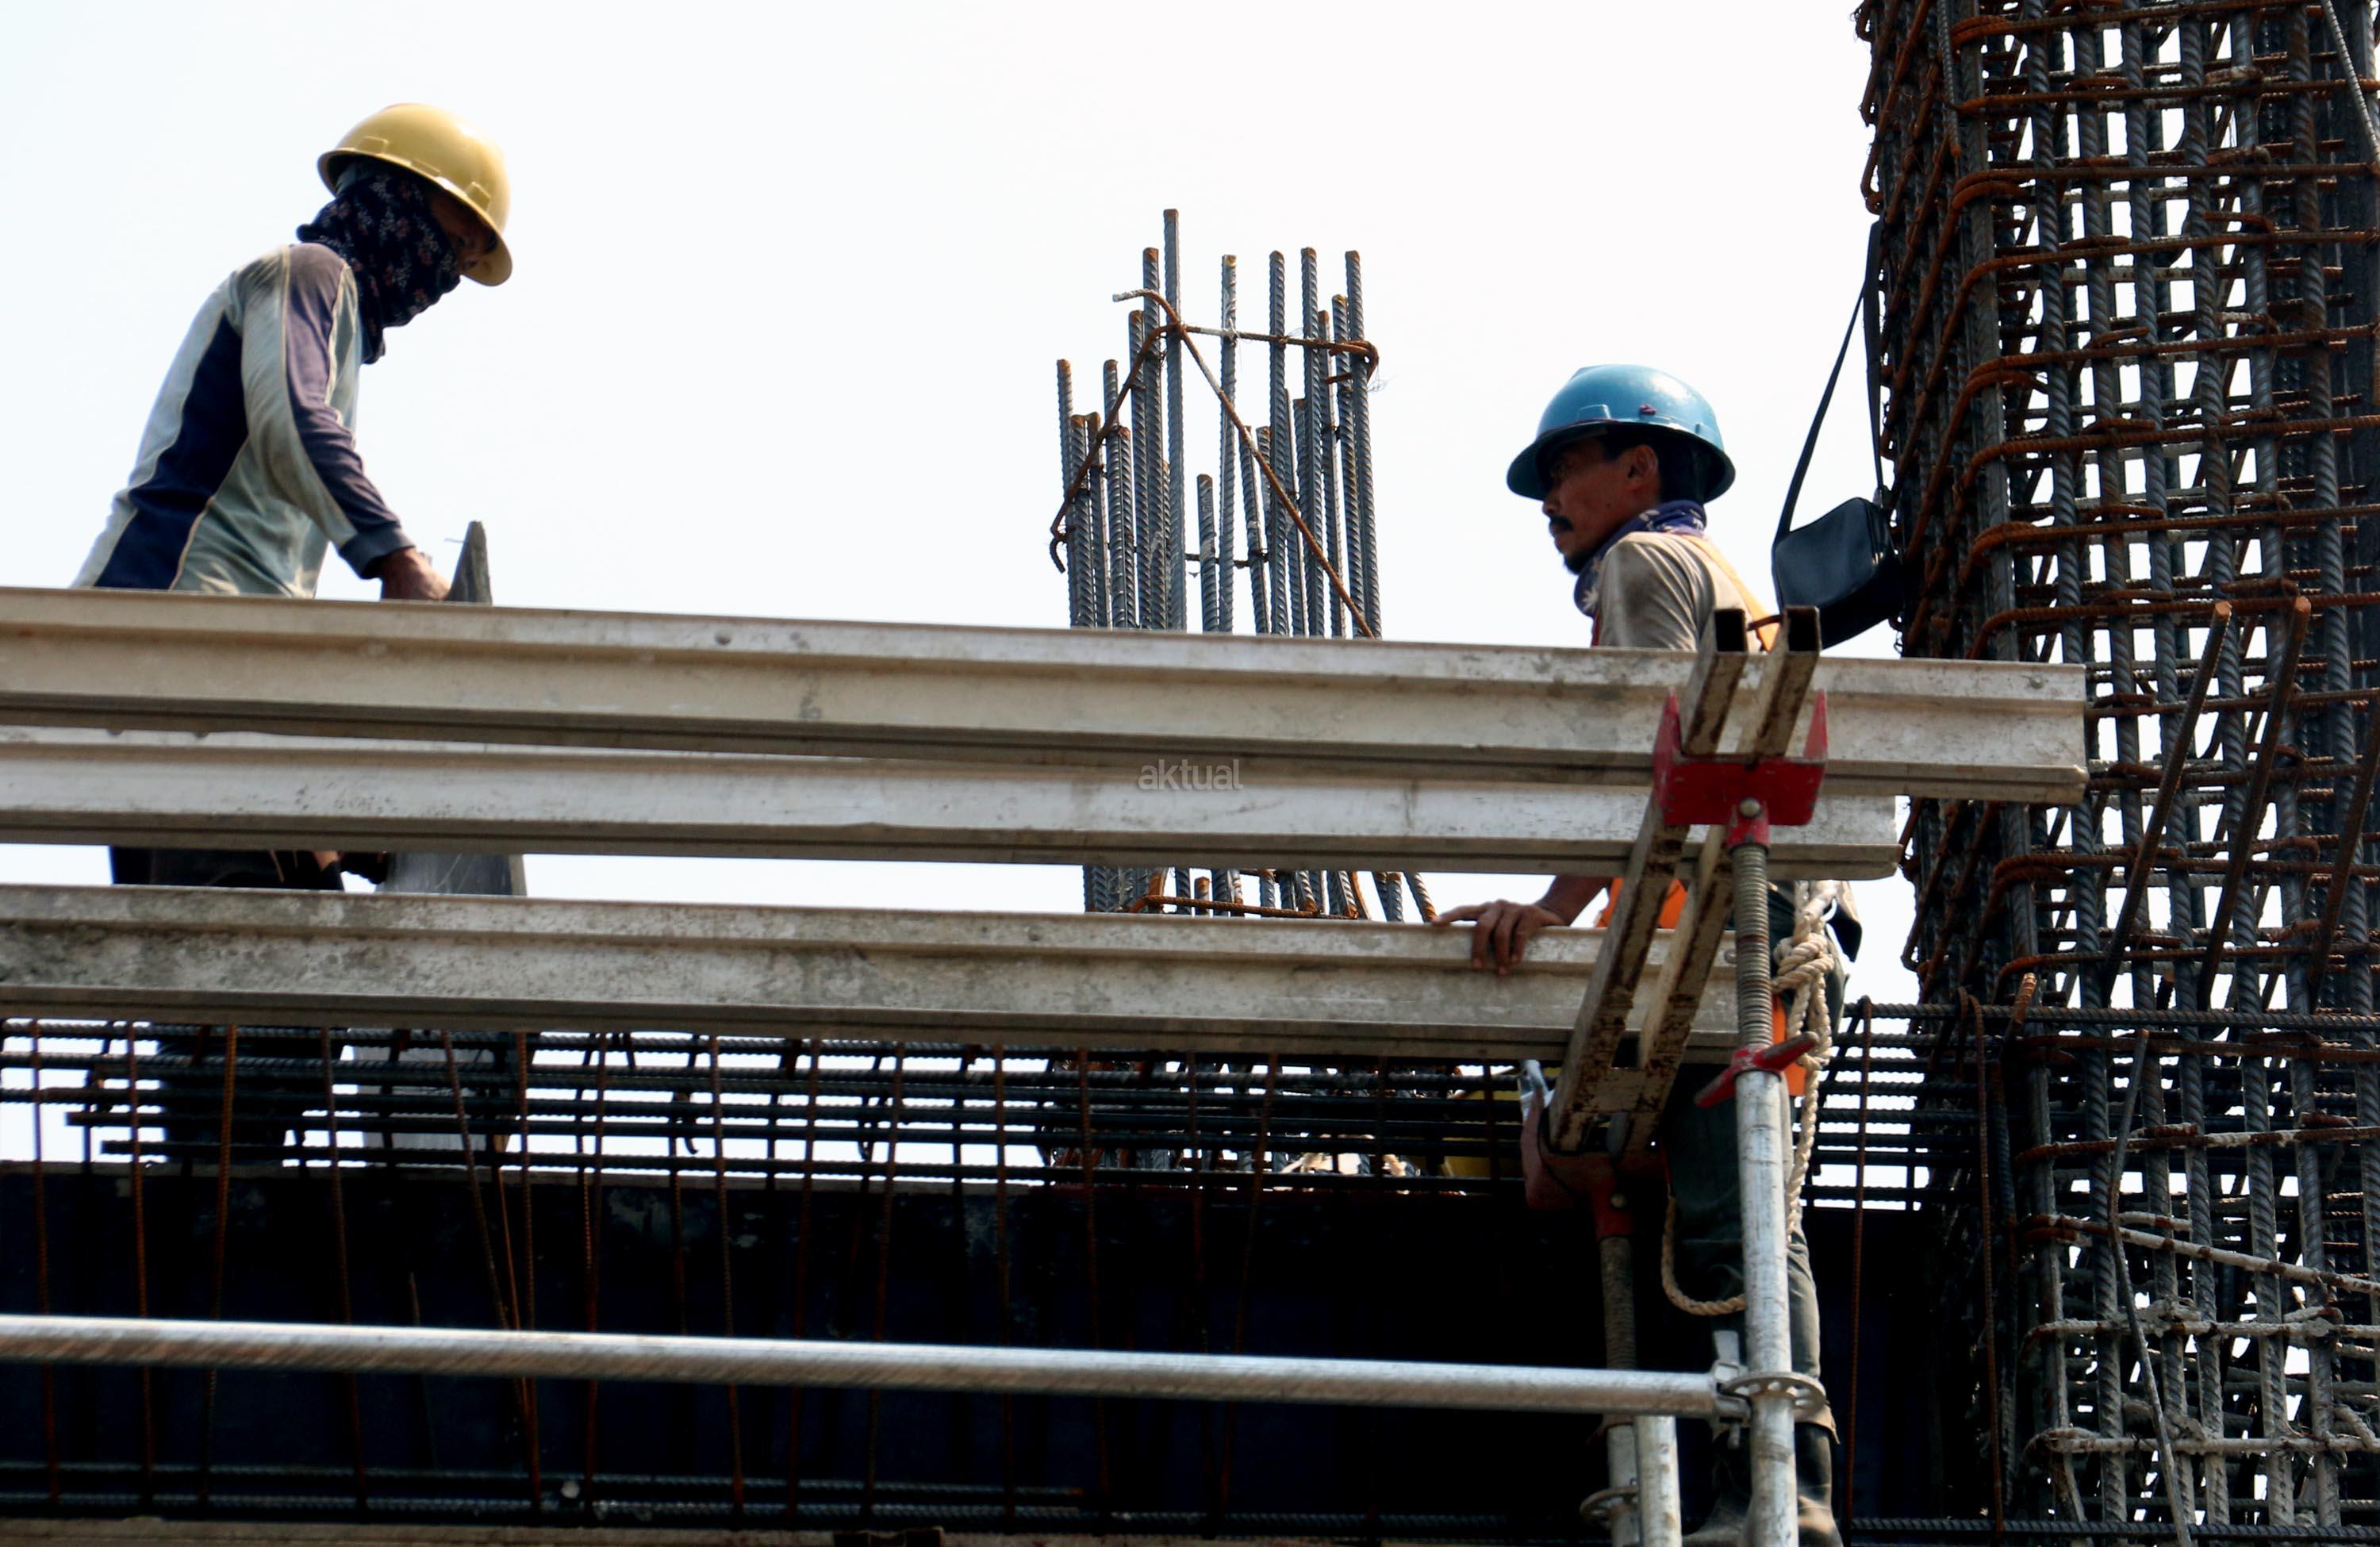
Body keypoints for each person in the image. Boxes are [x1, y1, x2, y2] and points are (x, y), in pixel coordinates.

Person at [1435, 366, 1844, 1546]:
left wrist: (1553, 912)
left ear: (1640, 468)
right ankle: (1770, 1486)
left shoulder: (1645, 563)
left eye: (1567, 467)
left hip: (1722, 938)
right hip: (1732, 929)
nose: (1549, 497)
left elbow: (1662, 764)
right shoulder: (1710, 573)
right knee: (1733, 1212)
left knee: (1733, 1223)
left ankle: (1775, 1494)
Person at [71, 103, 513, 1150]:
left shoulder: (339, 318)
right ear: (393, 203)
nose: (443, 277)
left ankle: (213, 1196)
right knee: (269, 962)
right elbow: (293, 417)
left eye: (461, 265)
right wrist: (395, 556)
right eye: (448, 242)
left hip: (208, 675)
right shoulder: (306, 276)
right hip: (177, 639)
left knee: (249, 979)